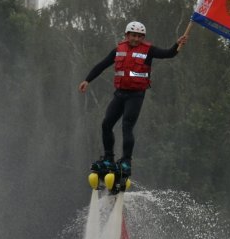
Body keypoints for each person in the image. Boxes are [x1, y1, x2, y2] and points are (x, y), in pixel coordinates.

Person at [78, 21, 188, 177]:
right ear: (127, 35)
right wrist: (87, 80)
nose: (136, 38)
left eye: (139, 36)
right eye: (133, 35)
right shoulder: (118, 49)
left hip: (135, 95)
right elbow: (102, 65)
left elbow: (168, 54)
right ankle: (109, 158)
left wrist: (177, 44)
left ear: (143, 37)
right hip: (120, 94)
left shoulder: (149, 50)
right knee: (106, 124)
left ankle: (126, 161)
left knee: (126, 126)